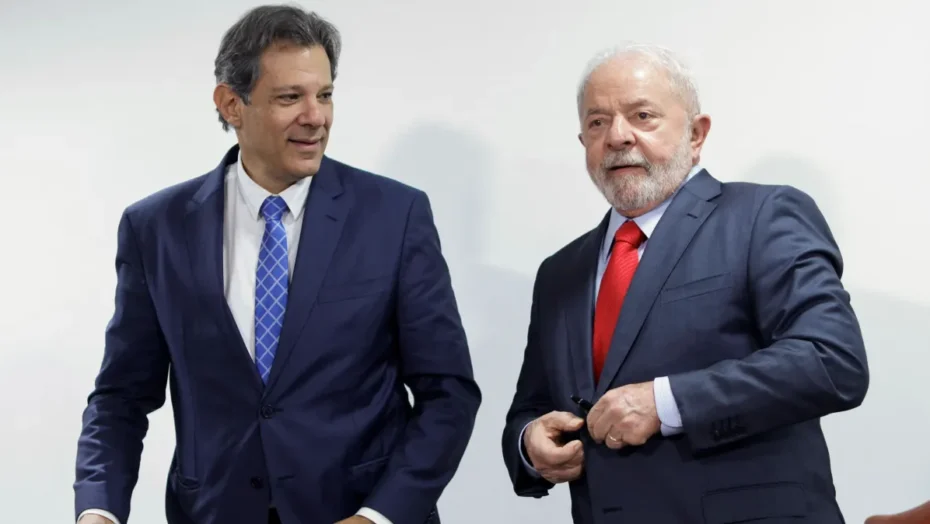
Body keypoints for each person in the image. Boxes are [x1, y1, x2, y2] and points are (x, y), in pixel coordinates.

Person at [74, 6, 481, 524]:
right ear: (231, 104)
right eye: (290, 97)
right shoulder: (155, 228)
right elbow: (120, 399)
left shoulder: (395, 216)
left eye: (326, 94)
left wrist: (378, 516)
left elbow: (448, 394)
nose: (316, 117)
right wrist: (98, 512)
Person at [501, 43, 869, 523]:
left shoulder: (762, 215)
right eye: (597, 122)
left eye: (643, 115)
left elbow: (832, 361)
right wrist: (530, 445)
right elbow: (529, 408)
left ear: (696, 134)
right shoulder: (560, 272)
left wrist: (665, 402)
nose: (617, 136)